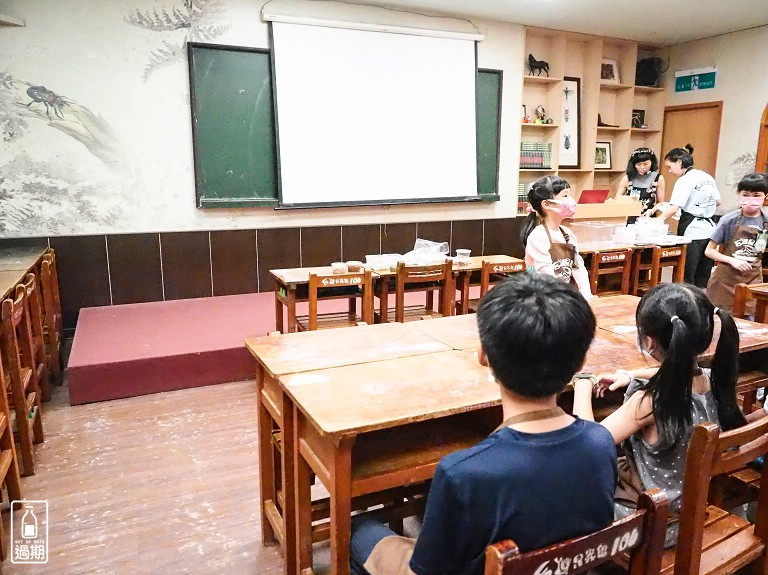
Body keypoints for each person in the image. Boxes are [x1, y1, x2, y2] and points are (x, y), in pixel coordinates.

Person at [350, 273, 617, 575]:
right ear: (581, 363)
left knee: (357, 529)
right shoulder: (601, 442)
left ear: (483, 356)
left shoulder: (462, 473)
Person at [573, 283, 744, 546]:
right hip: (688, 515)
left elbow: (586, 444)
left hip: (649, 525)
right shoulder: (713, 381)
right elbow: (676, 371)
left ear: (649, 341)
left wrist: (582, 385)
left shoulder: (650, 401)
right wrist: (628, 375)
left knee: (568, 484)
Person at [657, 144, 721, 287]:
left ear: (679, 162)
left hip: (691, 231)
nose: (669, 171)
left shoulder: (684, 180)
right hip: (709, 230)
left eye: (669, 166)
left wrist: (657, 221)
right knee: (703, 275)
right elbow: (718, 201)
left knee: (686, 275)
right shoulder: (707, 177)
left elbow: (674, 208)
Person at [521, 175, 593, 300]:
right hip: (541, 299)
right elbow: (546, 275)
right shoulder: (538, 236)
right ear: (547, 204)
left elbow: (578, 268)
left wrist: (586, 295)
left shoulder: (567, 234)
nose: (571, 200)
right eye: (565, 196)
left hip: (562, 297)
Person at [705, 172, 768, 312]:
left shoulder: (766, 221)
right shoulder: (728, 220)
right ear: (739, 195)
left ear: (765, 196)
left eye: (756, 195)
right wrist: (732, 261)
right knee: (723, 322)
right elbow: (709, 251)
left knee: (751, 319)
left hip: (753, 281)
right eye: (745, 194)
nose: (750, 199)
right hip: (726, 281)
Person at [617, 147, 666, 223]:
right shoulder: (627, 178)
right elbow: (617, 198)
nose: (642, 167)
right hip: (627, 218)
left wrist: (652, 211)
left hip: (647, 218)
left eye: (646, 164)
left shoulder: (658, 178)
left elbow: (661, 202)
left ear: (652, 162)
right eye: (638, 164)